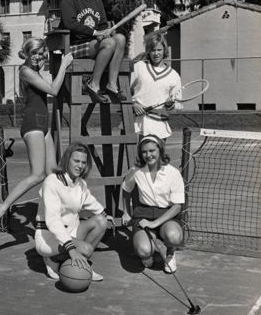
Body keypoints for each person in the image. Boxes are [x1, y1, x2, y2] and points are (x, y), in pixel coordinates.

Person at [0, 38, 73, 226]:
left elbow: (44, 81)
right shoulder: (25, 71)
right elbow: (53, 90)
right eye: (35, 53)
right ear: (28, 53)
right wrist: (64, 65)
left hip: (43, 125)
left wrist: (45, 62)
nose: (38, 57)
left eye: (41, 54)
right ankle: (3, 207)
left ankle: (52, 213)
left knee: (52, 173)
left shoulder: (34, 71)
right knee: (37, 175)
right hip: (32, 123)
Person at [35, 142, 115, 281]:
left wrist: (104, 214)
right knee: (86, 249)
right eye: (76, 161)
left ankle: (77, 265)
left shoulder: (80, 183)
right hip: (49, 237)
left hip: (71, 231)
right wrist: (71, 249)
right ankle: (52, 259)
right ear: (67, 160)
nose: (80, 166)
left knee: (101, 222)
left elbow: (89, 200)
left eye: (83, 162)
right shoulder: (52, 182)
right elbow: (53, 221)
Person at [59, 0, 126, 104]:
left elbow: (102, 24)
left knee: (120, 38)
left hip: (95, 44)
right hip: (74, 47)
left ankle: (112, 85)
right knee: (109, 44)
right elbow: (70, 23)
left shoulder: (97, 0)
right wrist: (97, 33)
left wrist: (108, 32)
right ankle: (93, 85)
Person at [121, 134, 185, 273]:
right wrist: (126, 212)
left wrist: (154, 224)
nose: (148, 155)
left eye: (152, 151)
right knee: (144, 251)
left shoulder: (172, 173)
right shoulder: (135, 171)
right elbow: (126, 189)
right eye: (144, 152)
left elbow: (177, 206)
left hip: (167, 215)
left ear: (160, 150)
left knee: (174, 237)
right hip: (143, 215)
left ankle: (170, 253)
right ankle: (150, 247)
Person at [131, 34, 182, 140]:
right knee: (136, 156)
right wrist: (133, 104)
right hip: (137, 122)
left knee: (157, 156)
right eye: (153, 50)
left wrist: (170, 105)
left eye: (159, 50)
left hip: (159, 125)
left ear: (164, 50)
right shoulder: (139, 67)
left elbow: (177, 104)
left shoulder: (174, 75)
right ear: (148, 51)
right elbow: (124, 90)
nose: (156, 53)